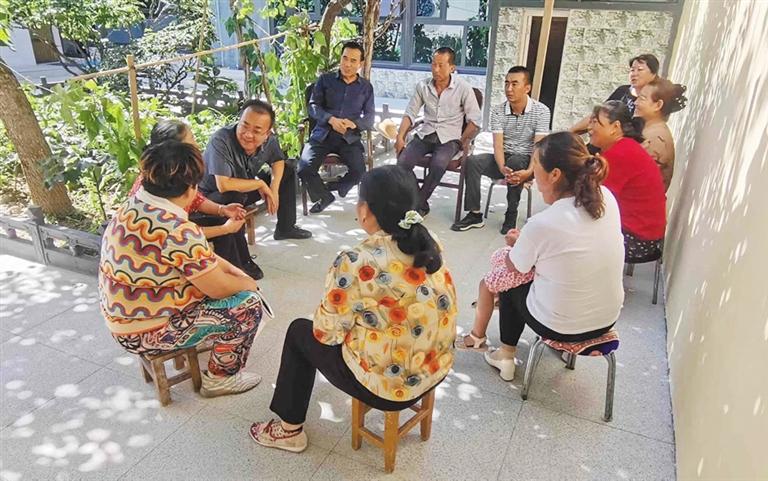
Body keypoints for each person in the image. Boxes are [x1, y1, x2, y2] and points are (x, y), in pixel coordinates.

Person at [248, 165, 457, 453]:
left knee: (299, 332)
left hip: (389, 389)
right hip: (436, 368)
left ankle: (288, 430)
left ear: (366, 210)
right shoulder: (428, 241)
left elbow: (326, 334)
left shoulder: (356, 261)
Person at [100, 140, 265, 398]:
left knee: (231, 284)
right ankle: (221, 378)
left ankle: (214, 343)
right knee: (248, 306)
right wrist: (248, 284)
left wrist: (233, 272)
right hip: (146, 332)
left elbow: (200, 257)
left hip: (124, 319)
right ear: (191, 188)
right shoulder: (177, 230)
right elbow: (219, 288)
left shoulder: (134, 205)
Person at [483, 132, 625, 381]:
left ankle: (505, 354)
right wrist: (528, 244)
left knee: (508, 279)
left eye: (536, 165)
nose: (533, 173)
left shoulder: (543, 223)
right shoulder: (607, 198)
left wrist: (518, 245)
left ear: (555, 174)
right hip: (606, 319)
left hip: (560, 326)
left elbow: (514, 266)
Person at [198, 100, 312, 280]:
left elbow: (277, 161)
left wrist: (274, 188)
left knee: (289, 170)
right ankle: (241, 261)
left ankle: (285, 227)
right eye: (244, 125)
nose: (248, 134)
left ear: (267, 133)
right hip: (211, 198)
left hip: (244, 186)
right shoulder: (221, 139)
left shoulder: (270, 141)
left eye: (257, 131)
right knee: (233, 196)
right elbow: (224, 185)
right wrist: (260, 185)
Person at [127, 120, 254, 275]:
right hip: (155, 264)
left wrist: (222, 210)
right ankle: (221, 275)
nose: (197, 145)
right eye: (192, 139)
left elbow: (196, 200)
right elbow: (179, 234)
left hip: (174, 234)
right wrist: (224, 229)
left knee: (223, 222)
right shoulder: (161, 190)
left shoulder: (167, 174)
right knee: (223, 230)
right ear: (175, 149)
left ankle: (233, 269)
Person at [451, 66, 551, 234]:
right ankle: (474, 214)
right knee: (472, 161)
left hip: (527, 161)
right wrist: (502, 167)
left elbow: (538, 147)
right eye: (506, 83)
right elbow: (497, 145)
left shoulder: (541, 111)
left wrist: (529, 172)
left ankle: (511, 214)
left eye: (514, 84)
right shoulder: (498, 111)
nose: (509, 89)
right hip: (503, 159)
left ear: (527, 88)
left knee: (516, 161)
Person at [395, 47, 482, 216]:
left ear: (452, 68)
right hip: (426, 134)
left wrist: (462, 141)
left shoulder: (463, 88)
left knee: (438, 164)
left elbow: (475, 121)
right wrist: (400, 137)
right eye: (433, 64)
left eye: (441, 65)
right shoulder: (423, 86)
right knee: (402, 163)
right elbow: (410, 113)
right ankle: (420, 203)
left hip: (450, 138)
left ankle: (416, 205)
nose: (435, 69)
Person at [298, 41, 375, 213]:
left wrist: (354, 124)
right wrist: (330, 119)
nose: (347, 64)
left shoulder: (366, 87)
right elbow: (313, 106)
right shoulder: (325, 80)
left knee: (359, 171)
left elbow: (370, 118)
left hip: (348, 138)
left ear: (361, 64)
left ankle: (338, 186)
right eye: (345, 58)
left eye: (353, 61)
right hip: (323, 135)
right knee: (304, 168)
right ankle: (324, 196)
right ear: (340, 58)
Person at [588, 101, 666, 263]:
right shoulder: (624, 147)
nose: (590, 128)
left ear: (615, 127)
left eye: (596, 122)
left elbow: (594, 199)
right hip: (645, 234)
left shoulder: (620, 154)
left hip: (637, 239)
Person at [570, 54, 660, 136]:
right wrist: (571, 132)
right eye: (632, 70)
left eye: (640, 70)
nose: (634, 74)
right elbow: (599, 115)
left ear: (653, 74)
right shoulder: (622, 91)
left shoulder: (655, 99)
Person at [634, 78, 688, 191]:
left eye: (642, 98)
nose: (636, 102)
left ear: (658, 105)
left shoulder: (655, 138)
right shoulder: (651, 129)